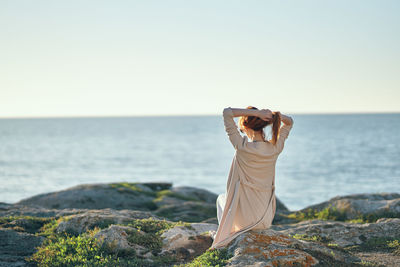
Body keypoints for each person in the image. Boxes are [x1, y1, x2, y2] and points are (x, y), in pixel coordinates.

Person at [209, 106, 294, 249]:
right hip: (265, 220)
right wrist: (272, 116)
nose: (242, 131)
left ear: (245, 127)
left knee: (221, 199)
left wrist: (257, 113)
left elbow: (227, 113)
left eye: (241, 129)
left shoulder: (242, 147)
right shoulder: (275, 148)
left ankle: (226, 233)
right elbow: (289, 122)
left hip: (244, 222)